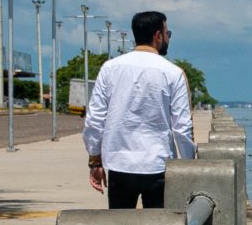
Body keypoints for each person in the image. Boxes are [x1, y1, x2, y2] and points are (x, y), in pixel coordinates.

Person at [81, 11, 197, 208]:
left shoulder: (110, 68)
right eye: (167, 33)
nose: (168, 38)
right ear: (158, 36)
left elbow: (95, 119)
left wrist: (95, 161)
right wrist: (188, 166)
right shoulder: (173, 73)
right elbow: (182, 127)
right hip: (159, 166)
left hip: (120, 165)